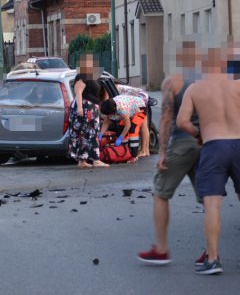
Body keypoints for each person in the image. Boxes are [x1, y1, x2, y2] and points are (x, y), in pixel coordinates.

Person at [137, 41, 203, 265]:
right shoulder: (207, 81)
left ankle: (161, 249)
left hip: (182, 143)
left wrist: (162, 152)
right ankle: (211, 251)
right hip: (205, 143)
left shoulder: (173, 82)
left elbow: (165, 118)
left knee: (160, 192)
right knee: (209, 199)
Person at [177, 46, 240, 275]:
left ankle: (212, 260)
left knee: (212, 205)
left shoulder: (195, 88)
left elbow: (182, 121)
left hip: (214, 146)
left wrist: (198, 135)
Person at [68, 54, 109, 169]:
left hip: (90, 108)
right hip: (86, 108)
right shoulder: (83, 76)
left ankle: (82, 161)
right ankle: (95, 160)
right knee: (90, 133)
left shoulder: (92, 77)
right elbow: (78, 92)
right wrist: (80, 108)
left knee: (87, 133)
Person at [99, 94, 147, 162]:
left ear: (113, 111)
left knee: (133, 129)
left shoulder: (122, 108)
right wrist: (101, 134)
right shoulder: (108, 105)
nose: (109, 115)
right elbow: (106, 122)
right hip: (129, 109)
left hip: (139, 107)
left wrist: (120, 138)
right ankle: (125, 152)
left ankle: (134, 156)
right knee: (121, 129)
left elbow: (128, 125)